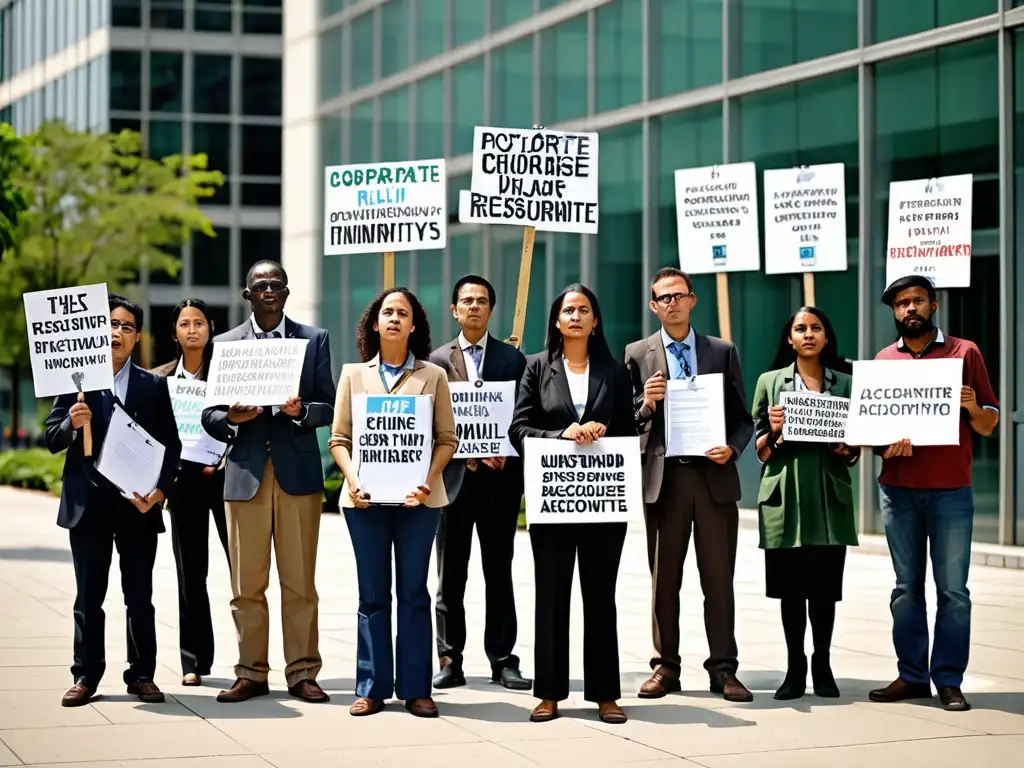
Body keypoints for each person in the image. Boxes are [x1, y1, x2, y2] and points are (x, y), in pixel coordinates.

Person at [201, 260, 336, 704]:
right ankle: (250, 672)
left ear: (287, 291)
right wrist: (231, 418)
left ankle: (302, 672)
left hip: (296, 473)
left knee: (300, 582)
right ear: (248, 294)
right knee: (246, 585)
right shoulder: (225, 344)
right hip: (244, 476)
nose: (269, 291)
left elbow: (329, 407)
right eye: (261, 285)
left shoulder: (313, 340)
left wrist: (302, 412)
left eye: (277, 284)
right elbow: (210, 415)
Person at [868, 275, 999, 712]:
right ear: (894, 311)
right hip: (898, 490)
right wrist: (887, 446)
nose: (909, 309)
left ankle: (947, 680)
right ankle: (911, 676)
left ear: (934, 305)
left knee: (953, 592)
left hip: (950, 492)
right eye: (901, 303)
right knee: (906, 589)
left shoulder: (965, 353)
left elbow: (988, 423)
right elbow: (872, 434)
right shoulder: (884, 361)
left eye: (917, 301)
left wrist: (971, 407)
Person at [625, 267, 754, 702]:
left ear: (693, 299)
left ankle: (724, 669)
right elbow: (626, 421)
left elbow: (742, 419)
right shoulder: (636, 354)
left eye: (679, 295)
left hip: (713, 476)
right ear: (653, 305)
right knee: (665, 580)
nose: (673, 303)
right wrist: (646, 403)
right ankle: (666, 667)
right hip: (665, 479)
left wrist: (732, 450)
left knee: (718, 578)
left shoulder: (721, 350)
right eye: (664, 297)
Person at [45, 294, 182, 707]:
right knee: (89, 596)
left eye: (125, 326)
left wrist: (159, 493)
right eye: (110, 324)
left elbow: (171, 447)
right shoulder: (75, 382)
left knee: (139, 595)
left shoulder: (153, 385)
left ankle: (142, 674)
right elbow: (51, 438)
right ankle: (85, 675)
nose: (116, 332)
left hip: (138, 507)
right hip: (88, 507)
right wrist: (71, 422)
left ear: (137, 336)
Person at [329, 287, 458, 718]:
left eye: (403, 313)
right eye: (387, 312)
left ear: (414, 324)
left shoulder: (433, 376)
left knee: (414, 594)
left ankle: (417, 688)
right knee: (372, 596)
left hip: (419, 503)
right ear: (374, 323)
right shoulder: (353, 374)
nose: (395, 319)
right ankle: (371, 687)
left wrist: (426, 481)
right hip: (364, 503)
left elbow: (446, 440)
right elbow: (339, 439)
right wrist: (354, 480)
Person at [508, 283, 634, 725]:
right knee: (552, 594)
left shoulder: (614, 370)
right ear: (557, 321)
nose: (576, 317)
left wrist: (602, 429)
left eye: (584, 310)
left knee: (601, 596)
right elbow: (519, 430)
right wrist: (561, 434)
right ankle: (549, 693)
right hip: (553, 499)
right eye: (568, 310)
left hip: (602, 499)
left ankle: (605, 694)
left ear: (595, 320)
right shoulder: (536, 368)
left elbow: (628, 430)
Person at [751, 307, 860, 700]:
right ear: (790, 339)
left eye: (816, 328)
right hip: (786, 496)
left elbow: (853, 452)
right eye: (801, 328)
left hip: (828, 495)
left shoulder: (846, 384)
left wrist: (845, 445)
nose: (809, 334)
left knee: (825, 591)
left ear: (827, 338)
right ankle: (795, 666)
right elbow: (761, 452)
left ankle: (823, 663)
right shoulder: (769, 382)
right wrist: (776, 431)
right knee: (792, 590)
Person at [428, 274, 530, 692]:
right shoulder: (434, 361)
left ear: (491, 309)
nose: (474, 306)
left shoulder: (513, 360)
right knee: (450, 575)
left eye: (481, 300)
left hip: (498, 482)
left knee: (499, 571)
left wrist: (507, 448)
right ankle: (450, 658)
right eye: (466, 300)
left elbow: (522, 418)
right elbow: (430, 424)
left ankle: (503, 659)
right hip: (453, 483)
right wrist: (465, 452)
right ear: (454, 310)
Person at [151, 298, 229, 687]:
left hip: (226, 478)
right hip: (183, 483)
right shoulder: (160, 379)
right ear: (175, 333)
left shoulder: (227, 374)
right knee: (190, 573)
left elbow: (241, 425)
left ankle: (251, 661)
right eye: (185, 323)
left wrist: (226, 457)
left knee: (243, 573)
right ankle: (194, 660)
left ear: (210, 328)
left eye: (199, 322)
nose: (193, 329)